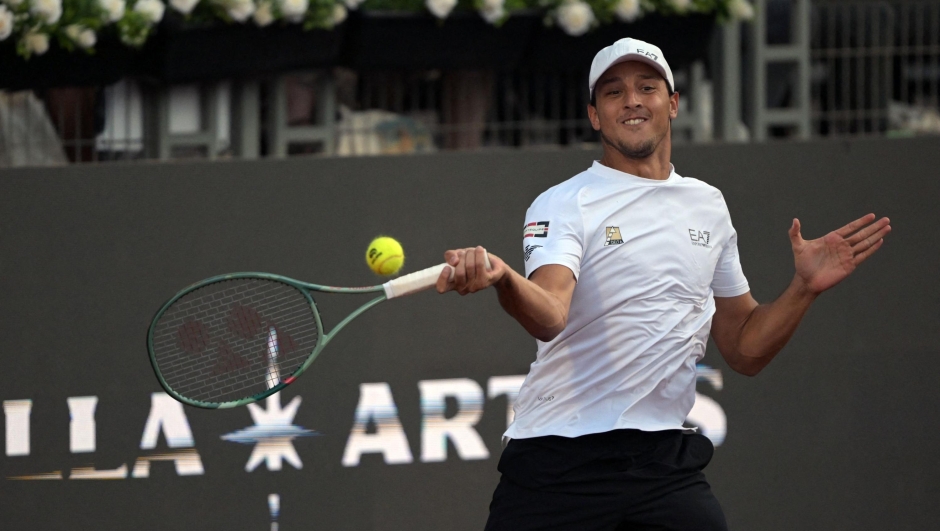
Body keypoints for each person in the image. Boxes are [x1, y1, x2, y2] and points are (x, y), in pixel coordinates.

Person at [435, 38, 891, 531]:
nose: (632, 100)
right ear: (594, 115)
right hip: (558, 463)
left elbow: (743, 348)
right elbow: (550, 315)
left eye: (647, 87)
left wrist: (803, 288)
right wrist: (505, 280)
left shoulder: (709, 205)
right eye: (613, 92)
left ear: (672, 103)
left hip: (662, 467)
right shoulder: (564, 203)